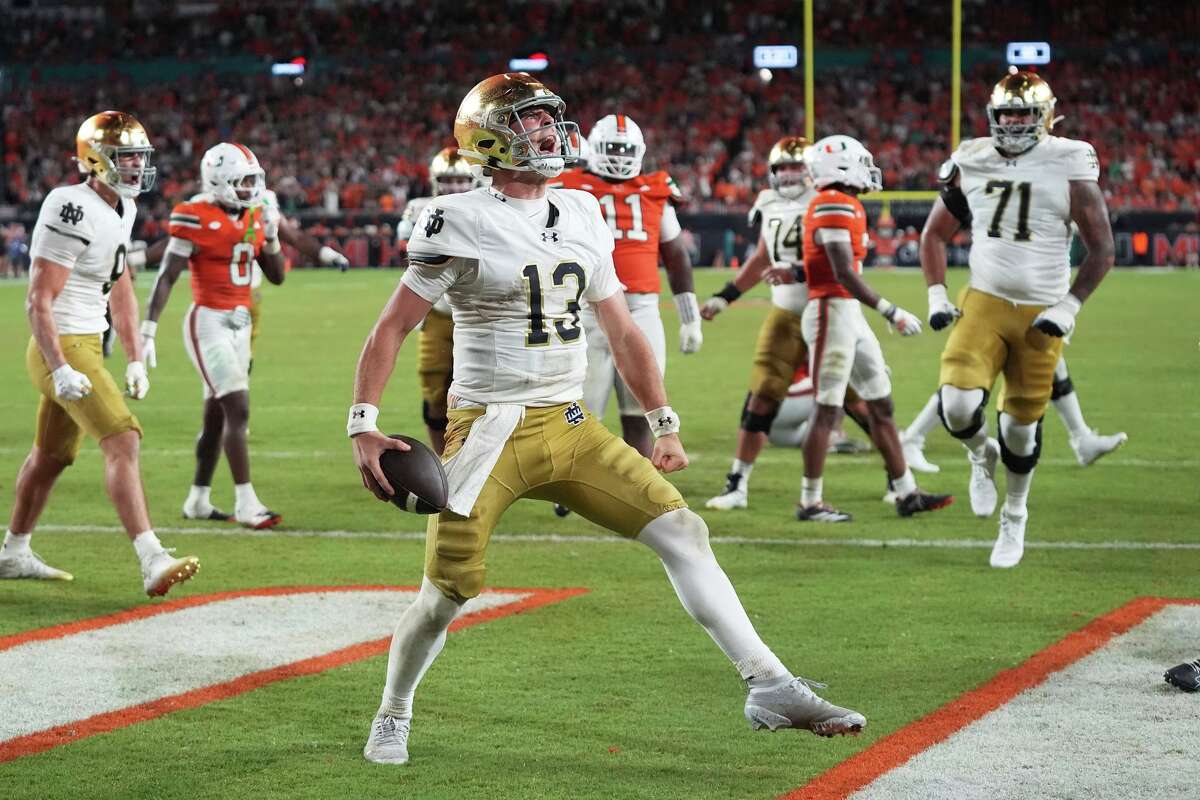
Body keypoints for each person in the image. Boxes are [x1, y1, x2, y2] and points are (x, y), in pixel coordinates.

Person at [349, 73, 866, 766]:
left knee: (683, 530)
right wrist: (363, 424)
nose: (553, 136)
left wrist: (663, 420)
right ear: (492, 139)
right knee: (445, 596)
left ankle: (769, 685)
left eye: (551, 122)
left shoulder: (583, 211)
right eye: (533, 125)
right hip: (489, 430)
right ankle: (394, 708)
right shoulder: (456, 218)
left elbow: (622, 329)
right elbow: (391, 328)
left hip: (570, 423)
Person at [919, 70, 1115, 567]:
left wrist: (1068, 306)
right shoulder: (972, 158)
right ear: (992, 115)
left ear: (1044, 117)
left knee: (1022, 431)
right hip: (984, 299)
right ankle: (979, 455)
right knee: (957, 405)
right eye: (1005, 113)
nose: (1012, 122)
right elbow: (934, 235)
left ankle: (1016, 513)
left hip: (1041, 308)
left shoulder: (1069, 159)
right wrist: (937, 296)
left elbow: (1102, 249)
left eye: (1023, 114)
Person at [0, 111, 199, 596]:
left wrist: (134, 354)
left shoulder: (122, 207)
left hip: (88, 342)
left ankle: (12, 552)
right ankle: (151, 557)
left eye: (139, 156)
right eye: (125, 156)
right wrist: (61, 366)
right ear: (95, 160)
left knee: (49, 457)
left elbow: (122, 285)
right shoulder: (68, 204)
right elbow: (37, 299)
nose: (135, 165)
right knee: (122, 438)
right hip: (61, 344)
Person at [796, 135, 952, 523]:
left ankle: (905, 491)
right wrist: (890, 310)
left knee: (881, 404)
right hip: (832, 312)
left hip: (846, 313)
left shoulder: (844, 203)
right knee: (827, 411)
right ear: (842, 167)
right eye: (861, 162)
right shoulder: (833, 202)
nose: (869, 170)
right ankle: (810, 502)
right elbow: (842, 271)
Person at [141, 143, 286, 529]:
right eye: (241, 182)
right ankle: (246, 502)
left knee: (216, 418)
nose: (250, 189)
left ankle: (198, 499)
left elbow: (277, 276)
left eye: (253, 181)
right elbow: (167, 274)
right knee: (237, 409)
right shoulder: (194, 215)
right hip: (208, 323)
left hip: (240, 325)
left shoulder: (256, 214)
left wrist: (271, 237)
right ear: (218, 182)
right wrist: (148, 328)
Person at [550, 114, 702, 457]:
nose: (619, 156)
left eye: (625, 149)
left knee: (643, 410)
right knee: (582, 410)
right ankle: (573, 478)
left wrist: (690, 316)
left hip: (640, 308)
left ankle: (641, 484)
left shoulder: (655, 190)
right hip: (586, 308)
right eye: (612, 148)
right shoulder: (569, 185)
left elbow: (677, 256)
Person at [700, 136, 818, 510]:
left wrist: (798, 272)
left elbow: (841, 261)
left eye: (795, 166)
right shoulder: (768, 203)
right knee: (761, 395)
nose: (787, 174)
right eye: (781, 167)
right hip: (785, 313)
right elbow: (763, 257)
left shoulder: (827, 200)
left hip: (829, 310)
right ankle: (738, 483)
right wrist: (725, 295)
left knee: (865, 402)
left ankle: (902, 480)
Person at [898, 357, 1127, 473]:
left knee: (1054, 364)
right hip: (996, 302)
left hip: (1025, 299)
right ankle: (912, 440)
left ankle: (1081, 439)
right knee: (966, 381)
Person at [396, 146, 480, 454]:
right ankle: (442, 460)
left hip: (479, 313)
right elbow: (408, 255)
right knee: (434, 390)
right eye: (447, 180)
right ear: (434, 180)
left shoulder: (492, 208)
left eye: (461, 181)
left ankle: (472, 458)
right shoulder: (420, 209)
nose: (454, 187)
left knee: (478, 391)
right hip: (438, 314)